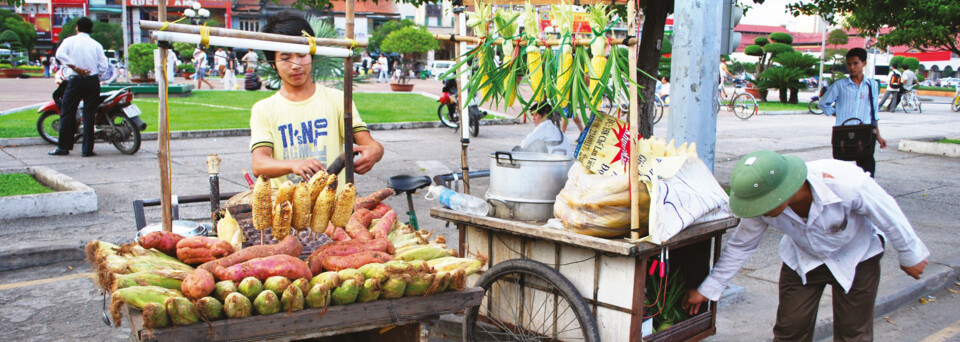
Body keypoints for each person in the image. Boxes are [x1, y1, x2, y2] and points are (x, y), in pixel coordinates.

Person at [682, 150, 929, 342]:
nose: (759, 212)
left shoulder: (846, 183)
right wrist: (709, 288)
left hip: (857, 256)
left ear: (783, 190)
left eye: (763, 204)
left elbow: (889, 214)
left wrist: (910, 254)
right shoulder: (760, 208)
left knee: (854, 331)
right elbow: (741, 246)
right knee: (790, 328)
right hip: (802, 259)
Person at [250, 12, 384, 187]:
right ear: (273, 63)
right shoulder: (264, 109)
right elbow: (259, 164)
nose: (296, 65)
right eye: (285, 58)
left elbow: (370, 144)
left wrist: (375, 151)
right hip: (286, 210)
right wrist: (293, 165)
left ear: (312, 55)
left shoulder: (337, 100)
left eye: (301, 54)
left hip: (336, 208)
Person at [818, 48, 887, 177]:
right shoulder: (840, 85)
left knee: (867, 172)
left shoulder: (872, 85)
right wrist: (836, 112)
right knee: (840, 170)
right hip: (844, 133)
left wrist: (878, 135)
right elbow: (823, 103)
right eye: (849, 64)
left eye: (856, 63)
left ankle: (864, 195)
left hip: (864, 132)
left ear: (864, 63)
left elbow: (874, 112)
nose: (852, 67)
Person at [49, 17, 108, 157]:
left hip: (75, 81)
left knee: (67, 113)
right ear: (91, 29)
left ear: (77, 27)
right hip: (92, 81)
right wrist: (94, 73)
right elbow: (104, 66)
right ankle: (87, 150)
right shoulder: (96, 45)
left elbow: (59, 55)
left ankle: (63, 147)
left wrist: (75, 68)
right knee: (89, 116)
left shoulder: (70, 41)